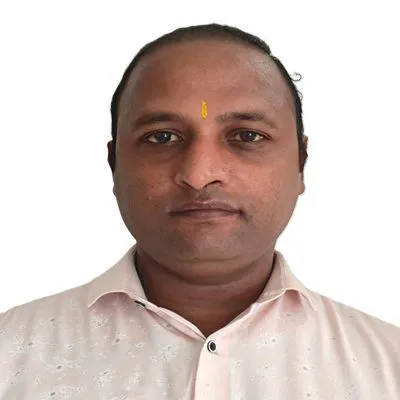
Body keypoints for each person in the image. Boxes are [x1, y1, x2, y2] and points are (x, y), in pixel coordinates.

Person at [0, 23, 399, 399]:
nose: (199, 174)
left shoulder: (388, 366)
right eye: (162, 137)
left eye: (247, 136)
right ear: (114, 164)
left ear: (302, 163)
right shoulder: (10, 355)